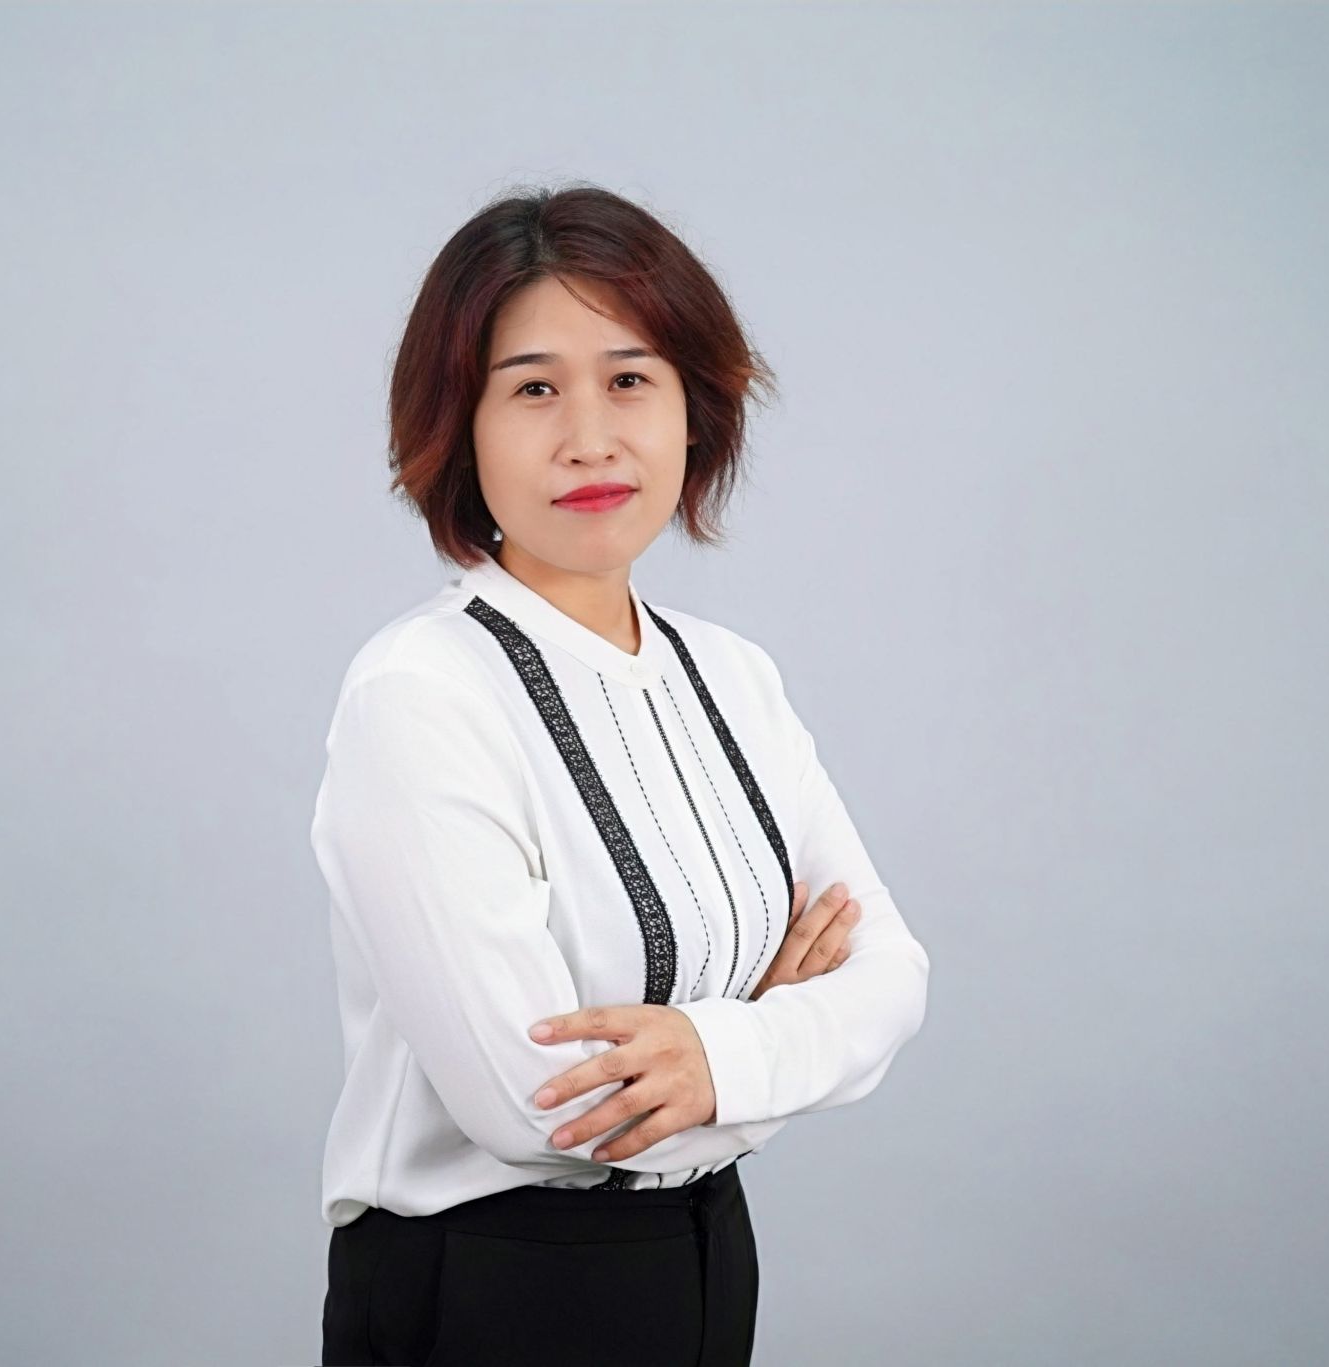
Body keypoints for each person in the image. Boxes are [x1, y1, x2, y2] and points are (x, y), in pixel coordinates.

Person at [310, 183, 932, 1367]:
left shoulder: (734, 676)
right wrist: (769, 1030)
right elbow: (538, 1105)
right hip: (487, 1288)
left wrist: (708, 1056)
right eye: (533, 388)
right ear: (458, 425)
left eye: (630, 378)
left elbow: (892, 975)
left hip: (705, 1253)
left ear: (695, 407)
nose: (589, 437)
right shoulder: (421, 693)